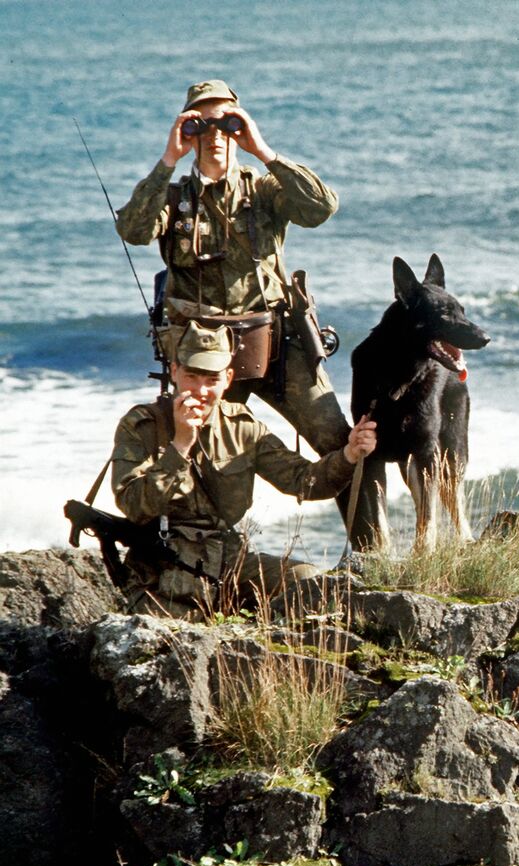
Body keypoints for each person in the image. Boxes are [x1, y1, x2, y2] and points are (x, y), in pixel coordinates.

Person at [114, 79, 353, 496]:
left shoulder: (263, 190)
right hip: (203, 355)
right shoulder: (172, 199)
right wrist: (169, 159)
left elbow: (321, 208)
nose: (214, 136)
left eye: (226, 124)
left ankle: (371, 550)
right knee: (208, 463)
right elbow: (133, 230)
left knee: (341, 443)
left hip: (274, 344)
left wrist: (263, 150)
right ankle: (210, 554)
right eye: (200, 126)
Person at [111, 322, 377, 618]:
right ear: (174, 371)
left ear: (228, 379)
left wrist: (349, 455)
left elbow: (303, 481)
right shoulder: (141, 426)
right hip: (162, 566)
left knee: (310, 582)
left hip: (228, 561)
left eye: (211, 379)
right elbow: (133, 505)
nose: (200, 390)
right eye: (191, 376)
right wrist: (180, 446)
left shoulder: (243, 427)